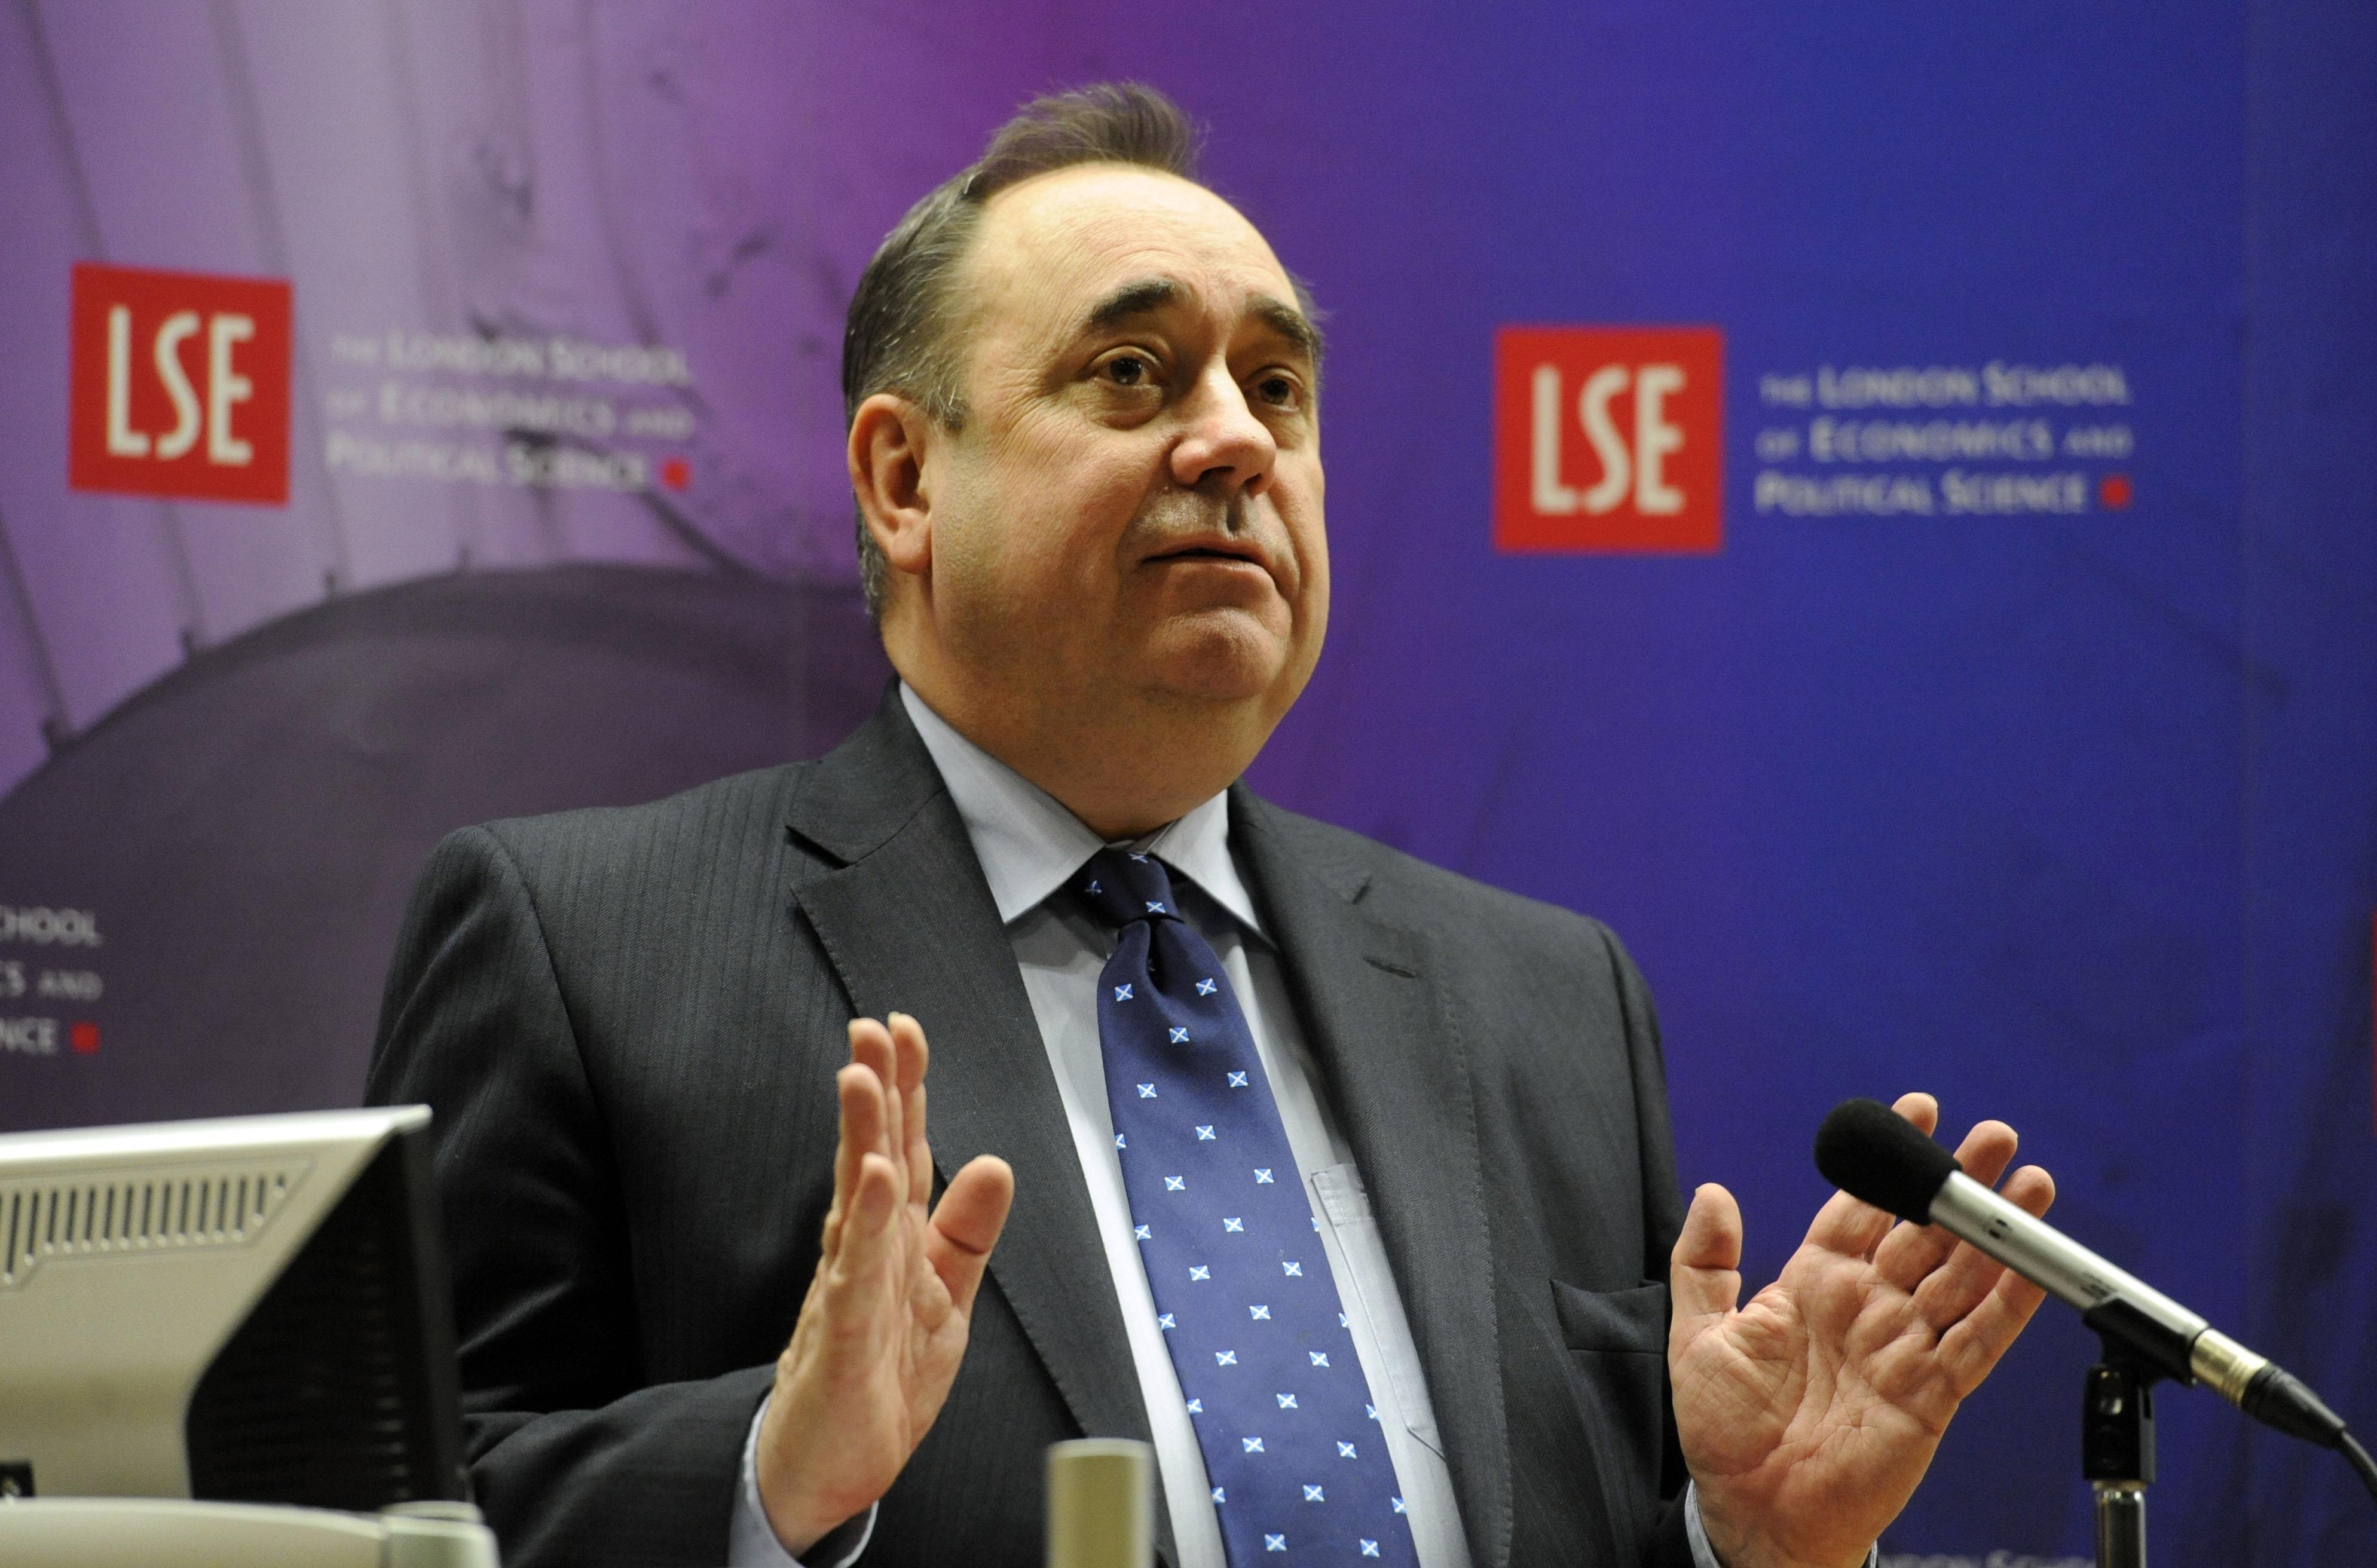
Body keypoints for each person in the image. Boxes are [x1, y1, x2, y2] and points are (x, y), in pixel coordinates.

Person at [367, 84, 2056, 1568]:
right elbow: (384, 1517)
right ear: (902, 482)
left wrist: (1731, 1545)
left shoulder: (1542, 1003)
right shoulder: (585, 942)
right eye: (1131, 371)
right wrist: (761, 1481)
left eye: (1280, 389)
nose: (1237, 440)